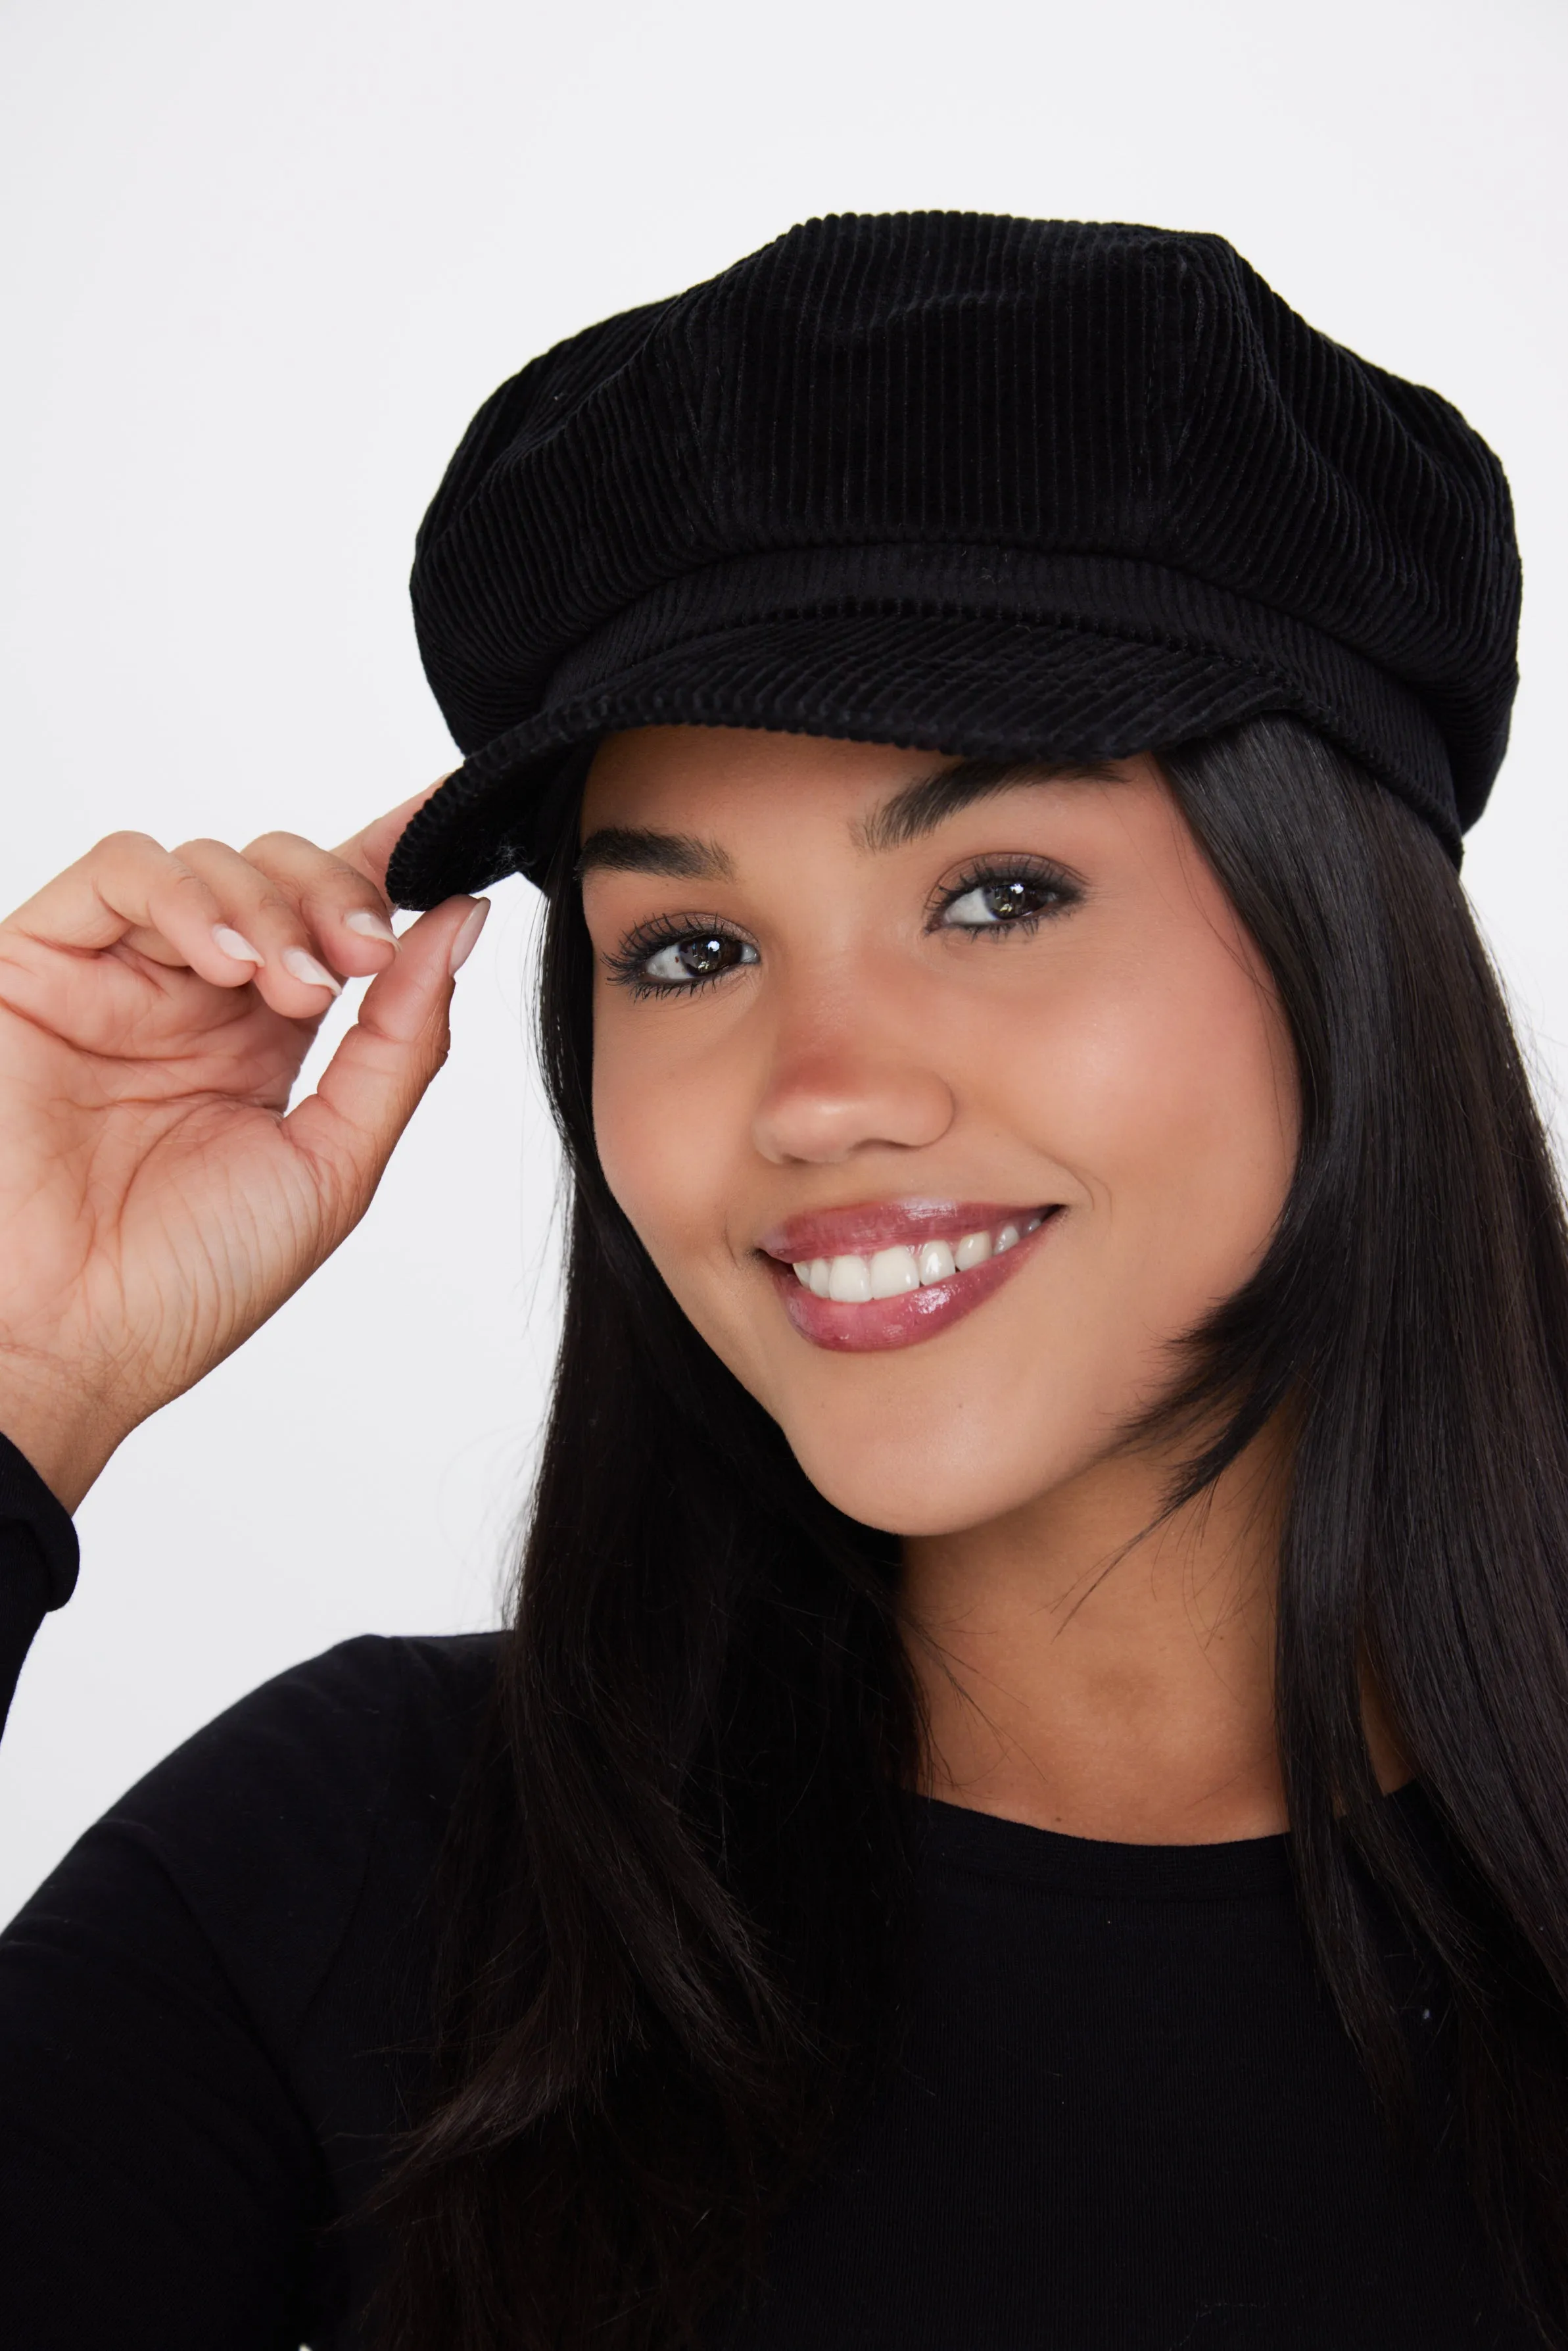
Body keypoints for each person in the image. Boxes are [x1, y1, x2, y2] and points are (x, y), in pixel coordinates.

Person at [0, 212, 1559, 2351]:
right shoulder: (355, 1871)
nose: (818, 1095)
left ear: (1344, 954)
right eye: (691, 949)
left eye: (997, 890)